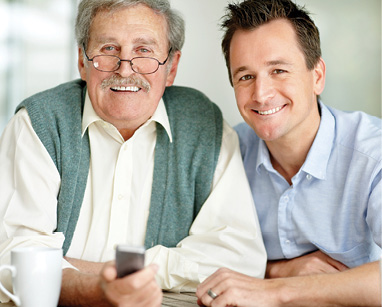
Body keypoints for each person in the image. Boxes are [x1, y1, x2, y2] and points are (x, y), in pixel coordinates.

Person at [0, 0, 267, 305]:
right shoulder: (39, 123)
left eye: (144, 51)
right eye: (109, 49)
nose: (125, 68)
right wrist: (95, 289)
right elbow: (12, 258)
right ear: (82, 61)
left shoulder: (204, 123)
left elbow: (241, 260)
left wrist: (111, 272)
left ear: (172, 68)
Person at [196, 0, 382, 306]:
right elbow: (200, 257)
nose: (261, 94)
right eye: (245, 77)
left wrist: (276, 291)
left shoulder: (372, 155)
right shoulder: (227, 152)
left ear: (317, 76)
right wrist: (280, 270)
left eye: (278, 70)